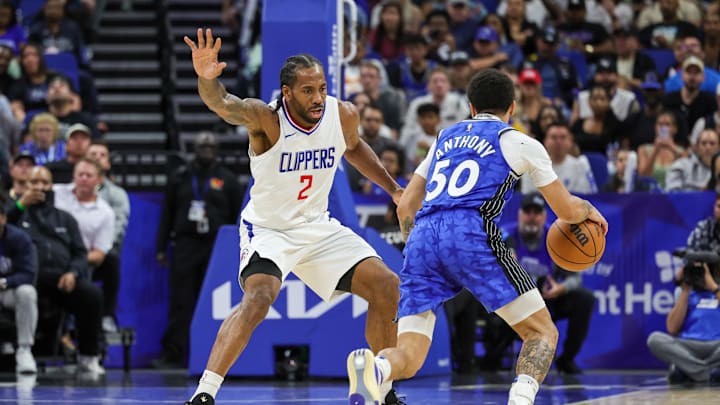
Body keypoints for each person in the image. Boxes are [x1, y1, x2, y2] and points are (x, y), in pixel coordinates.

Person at [346, 69, 607, 405]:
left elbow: (407, 204)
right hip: (470, 231)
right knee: (541, 331)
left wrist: (418, 248)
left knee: (408, 356)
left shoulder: (443, 137)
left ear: (471, 107)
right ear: (512, 108)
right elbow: (567, 211)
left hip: (423, 235)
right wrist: (589, 210)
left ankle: (377, 367)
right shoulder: (519, 141)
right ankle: (521, 400)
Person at [181, 29, 404, 405]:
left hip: (317, 226)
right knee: (259, 298)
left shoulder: (342, 113)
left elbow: (353, 147)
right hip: (269, 229)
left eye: (321, 88)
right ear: (287, 93)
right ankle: (204, 394)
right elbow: (223, 103)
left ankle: (382, 389)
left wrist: (394, 189)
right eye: (307, 91)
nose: (317, 97)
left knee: (387, 286)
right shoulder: (266, 120)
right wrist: (207, 78)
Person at [153, 131, 244, 369]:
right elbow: (167, 214)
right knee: (181, 300)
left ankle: (216, 355)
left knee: (218, 303)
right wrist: (161, 247)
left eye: (210, 146)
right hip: (185, 244)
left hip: (217, 247)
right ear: (194, 149)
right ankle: (174, 353)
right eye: (202, 146)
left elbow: (239, 216)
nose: (206, 150)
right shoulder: (180, 177)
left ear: (217, 150)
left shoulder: (228, 180)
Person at [480, 192, 596, 374]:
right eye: (528, 211)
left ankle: (567, 359)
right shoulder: (506, 235)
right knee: (494, 298)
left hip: (546, 300)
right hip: (515, 301)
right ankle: (492, 358)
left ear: (544, 216)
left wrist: (561, 288)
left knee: (585, 299)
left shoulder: (556, 238)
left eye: (537, 212)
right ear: (520, 215)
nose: (532, 217)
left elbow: (576, 278)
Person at [0, 203, 38, 374]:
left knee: (27, 292)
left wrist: (4, 283)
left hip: (9, 290)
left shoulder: (19, 238)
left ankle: (24, 350)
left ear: (3, 218)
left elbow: (28, 273)